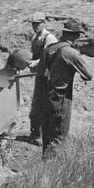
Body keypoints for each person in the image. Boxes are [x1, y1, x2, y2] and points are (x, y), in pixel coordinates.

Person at [40, 18, 92, 155]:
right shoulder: (70, 53)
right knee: (60, 134)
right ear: (73, 36)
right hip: (61, 96)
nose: (78, 38)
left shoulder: (49, 48)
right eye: (78, 35)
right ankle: (54, 167)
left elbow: (41, 72)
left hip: (46, 94)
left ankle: (45, 163)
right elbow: (88, 75)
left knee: (47, 133)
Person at [27, 12, 58, 144]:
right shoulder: (35, 38)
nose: (35, 26)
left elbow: (48, 57)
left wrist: (36, 63)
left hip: (49, 77)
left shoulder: (49, 38)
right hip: (39, 76)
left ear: (43, 23)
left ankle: (48, 136)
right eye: (33, 24)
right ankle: (35, 134)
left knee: (47, 106)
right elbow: (33, 56)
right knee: (36, 106)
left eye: (37, 24)